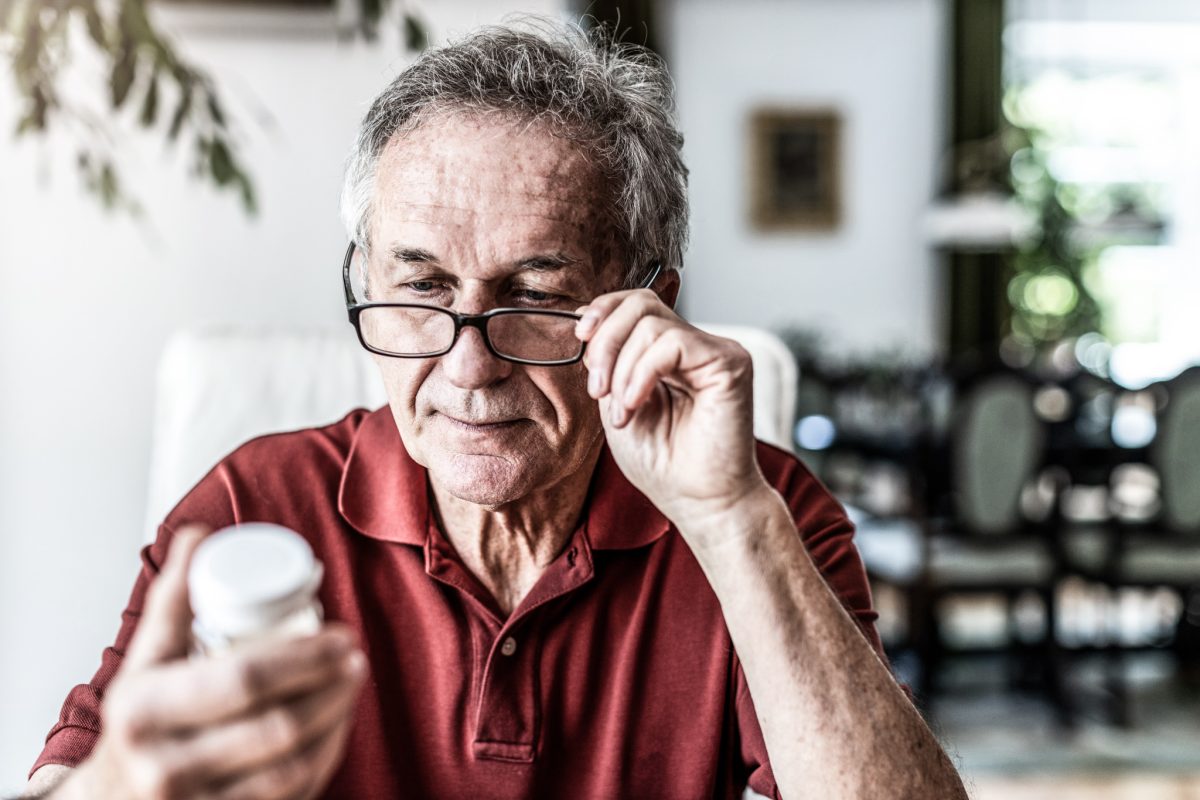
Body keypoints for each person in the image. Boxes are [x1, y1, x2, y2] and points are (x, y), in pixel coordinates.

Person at [24, 20, 967, 800]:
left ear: (650, 307)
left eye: (537, 296)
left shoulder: (767, 513)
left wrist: (732, 522)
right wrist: (115, 782)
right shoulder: (254, 504)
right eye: (421, 288)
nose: (467, 367)